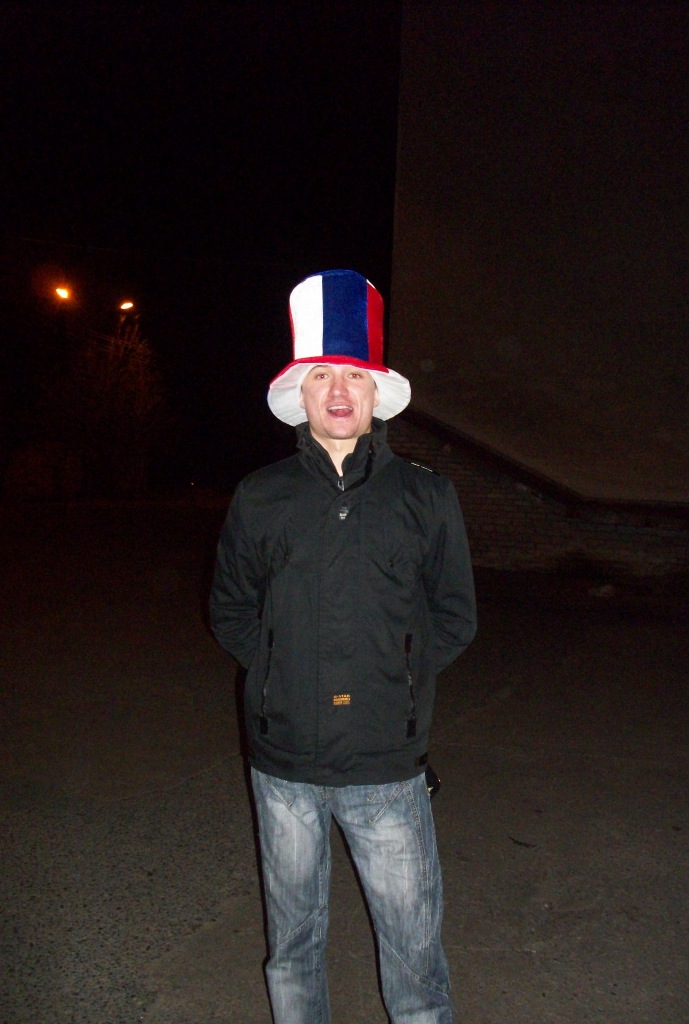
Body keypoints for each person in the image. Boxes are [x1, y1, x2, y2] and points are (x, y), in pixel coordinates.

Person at [209, 269, 476, 1024]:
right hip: (284, 764)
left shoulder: (427, 496)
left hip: (385, 765)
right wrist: (277, 675)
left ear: (374, 395)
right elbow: (230, 609)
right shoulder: (260, 495)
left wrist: (399, 681)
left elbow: (454, 615)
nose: (337, 389)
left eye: (354, 375)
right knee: (292, 948)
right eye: (321, 373)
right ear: (300, 393)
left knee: (415, 956)